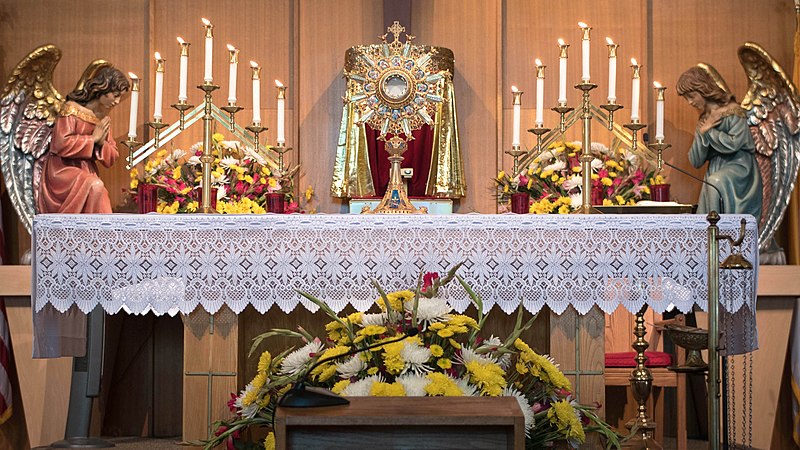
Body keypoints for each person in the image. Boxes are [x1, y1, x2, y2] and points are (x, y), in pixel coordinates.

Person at [36, 63, 130, 214]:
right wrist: (92, 140)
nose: (117, 101)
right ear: (103, 88)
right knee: (95, 186)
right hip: (62, 170)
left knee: (97, 189)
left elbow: (112, 156)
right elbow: (61, 144)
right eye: (116, 95)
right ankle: (97, 234)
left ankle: (98, 235)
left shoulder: (102, 119)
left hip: (85, 171)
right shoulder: (71, 109)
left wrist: (100, 143)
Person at [676, 66, 762, 218]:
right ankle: (713, 237)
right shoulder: (704, 120)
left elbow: (735, 144)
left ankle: (719, 232)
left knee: (714, 182)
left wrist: (710, 132)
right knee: (712, 182)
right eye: (686, 98)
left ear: (702, 89)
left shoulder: (733, 111)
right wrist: (702, 134)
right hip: (717, 169)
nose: (689, 102)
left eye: (691, 96)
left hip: (740, 167)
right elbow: (695, 161)